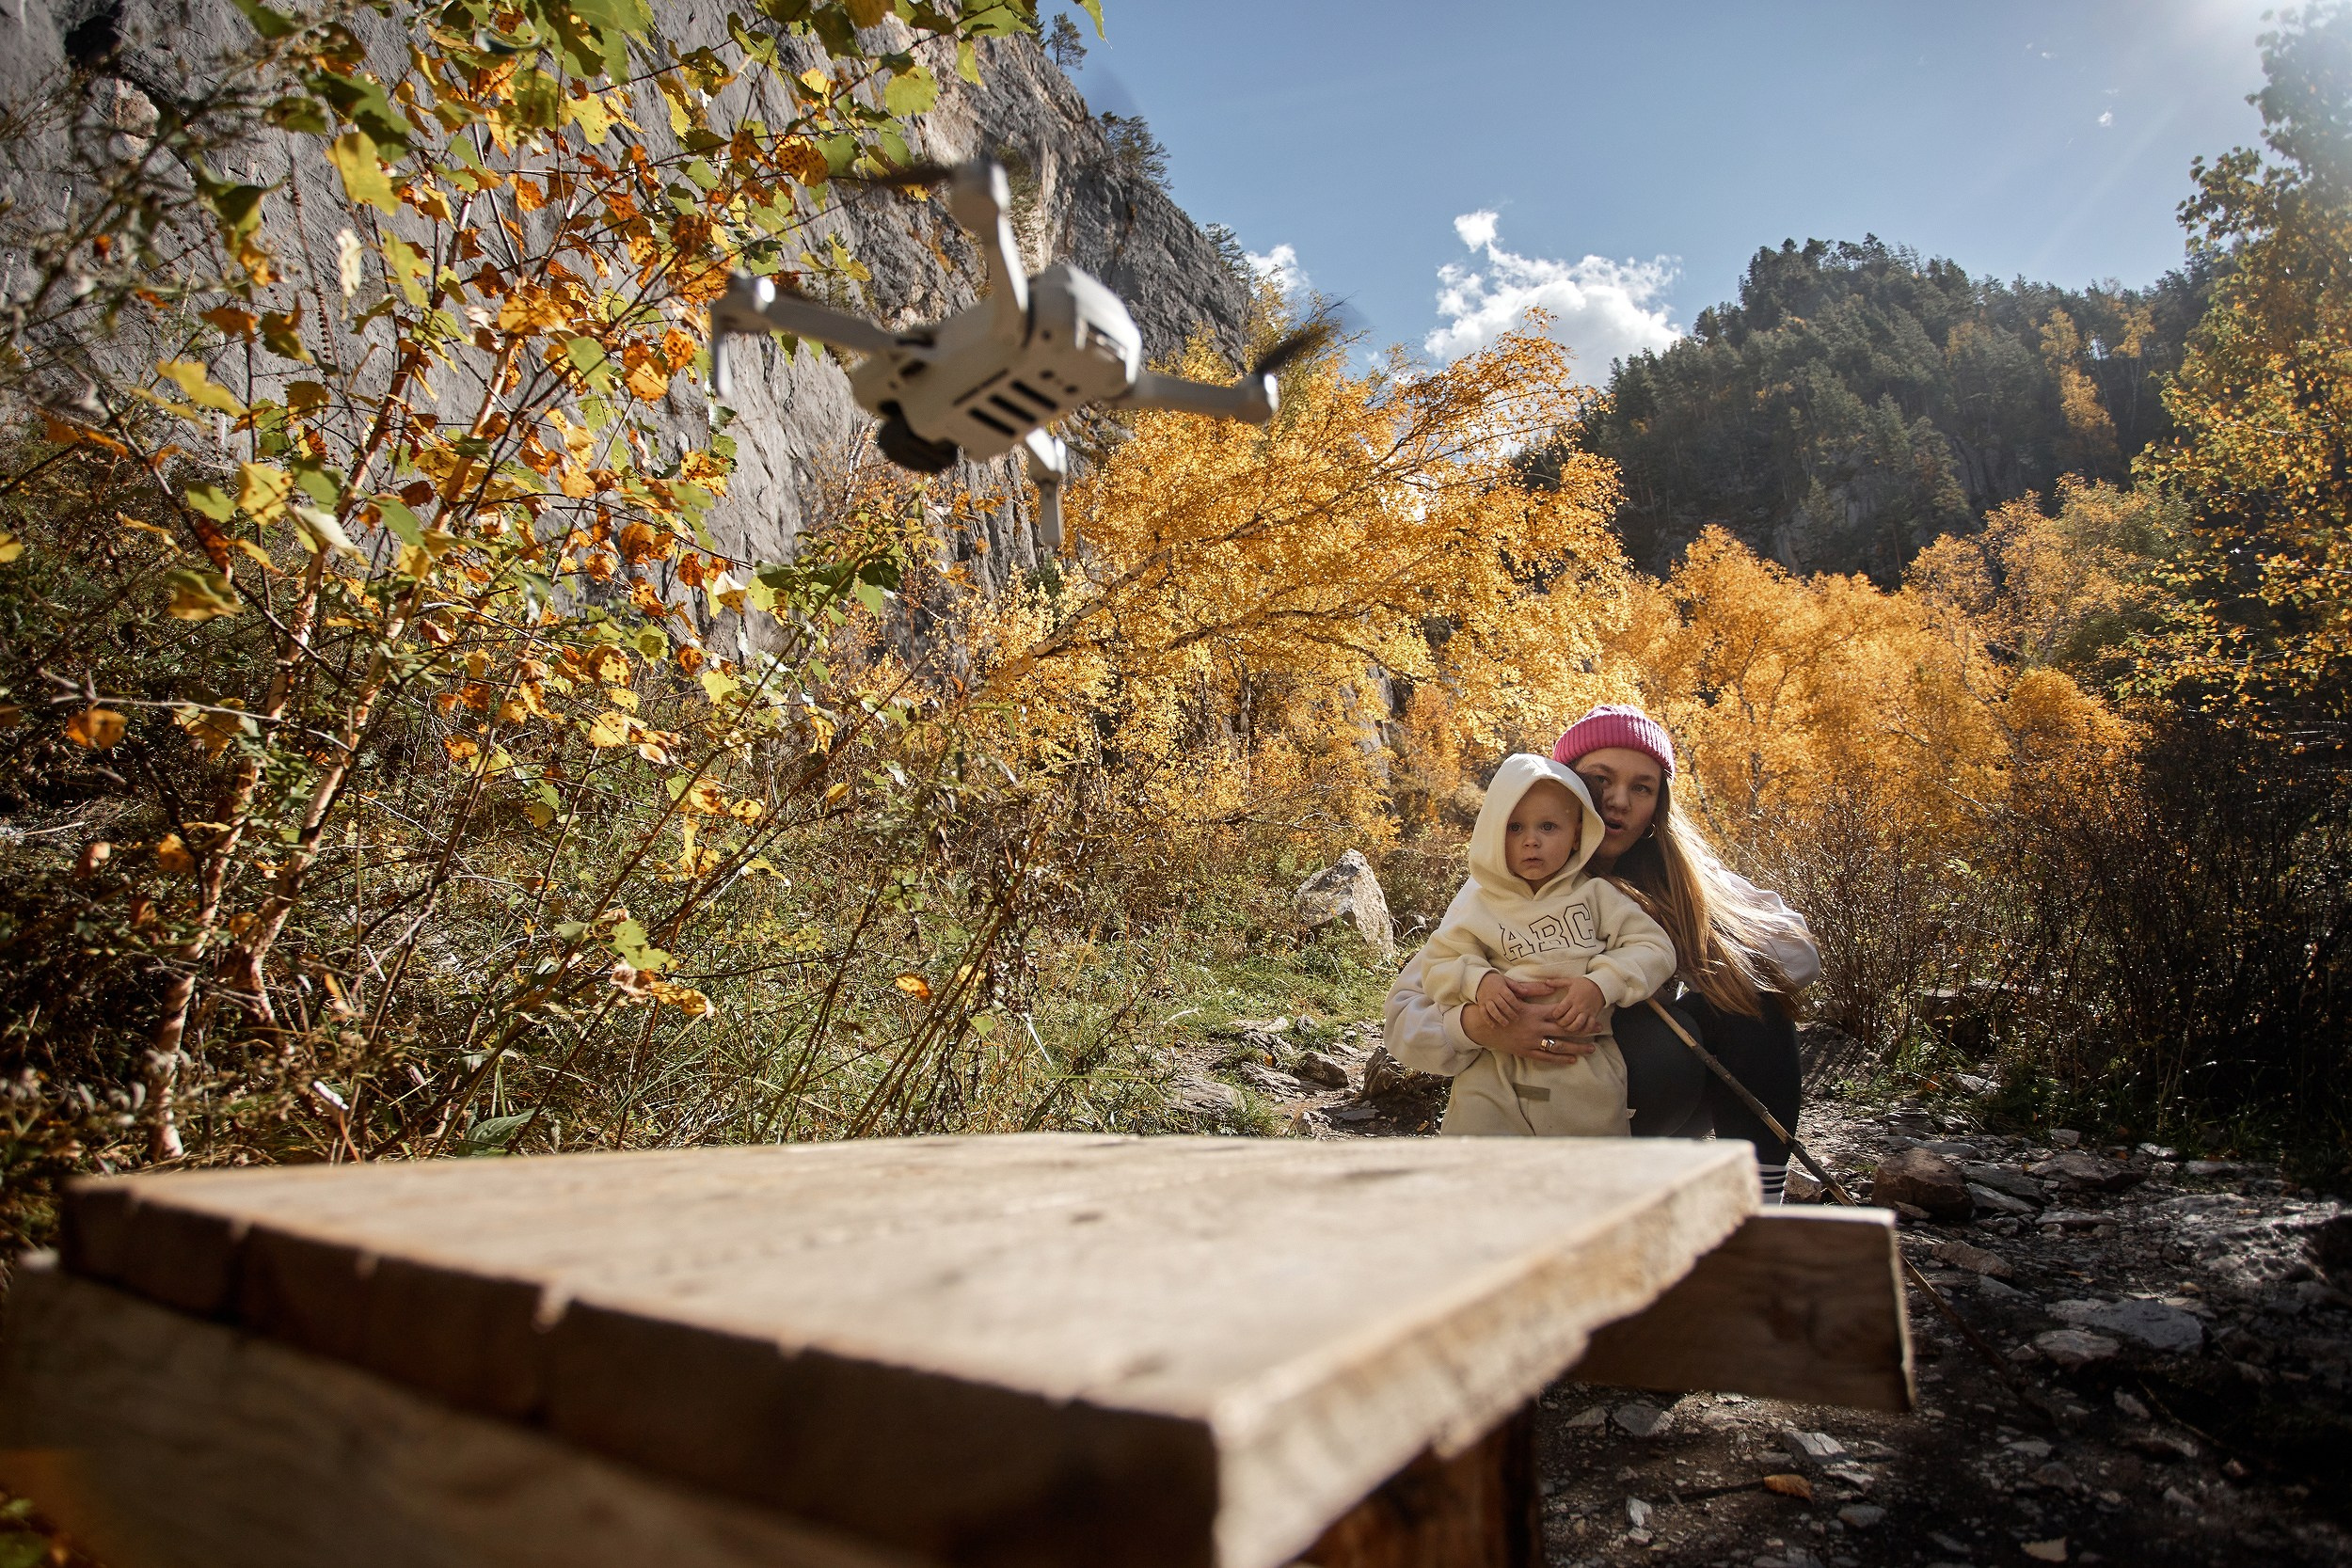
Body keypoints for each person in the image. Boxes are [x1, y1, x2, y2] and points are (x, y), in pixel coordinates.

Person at [1384, 705, 1821, 1200]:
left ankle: (1761, 1206)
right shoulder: (1506, 885)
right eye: (1599, 780)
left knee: (1754, 1000)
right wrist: (1481, 1026)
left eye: (1642, 788)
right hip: (1546, 1092)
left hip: (1664, 1090)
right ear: (1566, 785)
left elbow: (1799, 952)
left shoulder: (1680, 874)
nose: (1618, 802)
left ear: (1659, 803)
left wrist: (1652, 959)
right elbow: (1404, 1014)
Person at [1419, 753, 1677, 1136]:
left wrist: (1601, 984)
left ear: (1576, 833)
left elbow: (1655, 948)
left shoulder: (1596, 896)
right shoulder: (1479, 904)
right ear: (1492, 832)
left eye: (1548, 827)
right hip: (1494, 1069)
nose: (1531, 841)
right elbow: (1439, 962)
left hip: (1582, 1069)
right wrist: (1479, 982)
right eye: (1515, 827)